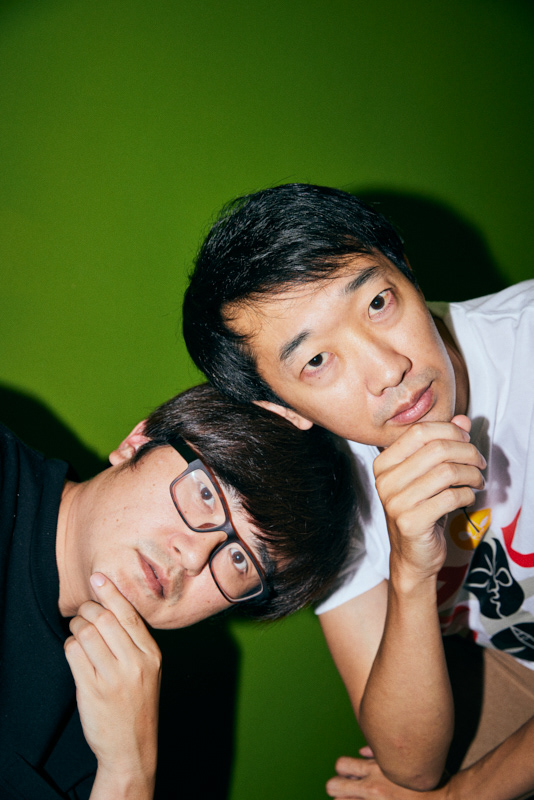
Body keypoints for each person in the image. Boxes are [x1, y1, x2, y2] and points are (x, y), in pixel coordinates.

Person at [182, 183, 534, 800]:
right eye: (317, 362)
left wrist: (464, 796)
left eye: (377, 303)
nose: (388, 369)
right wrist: (410, 572)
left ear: (406, 272)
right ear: (283, 409)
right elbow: (410, 765)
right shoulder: (322, 489)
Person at [0, 382, 355, 800]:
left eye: (240, 560)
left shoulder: (117, 719)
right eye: (206, 493)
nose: (194, 556)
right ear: (138, 442)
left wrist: (127, 772)